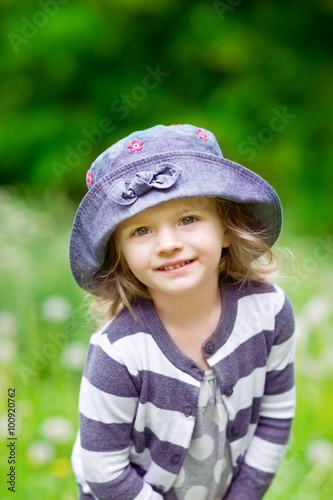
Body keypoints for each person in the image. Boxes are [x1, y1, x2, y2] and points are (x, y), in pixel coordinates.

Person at [69, 124, 295, 500]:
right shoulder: (119, 353)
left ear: (227, 227)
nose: (169, 244)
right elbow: (103, 471)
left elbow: (276, 414)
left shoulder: (268, 312)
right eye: (141, 230)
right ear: (120, 255)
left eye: (188, 219)